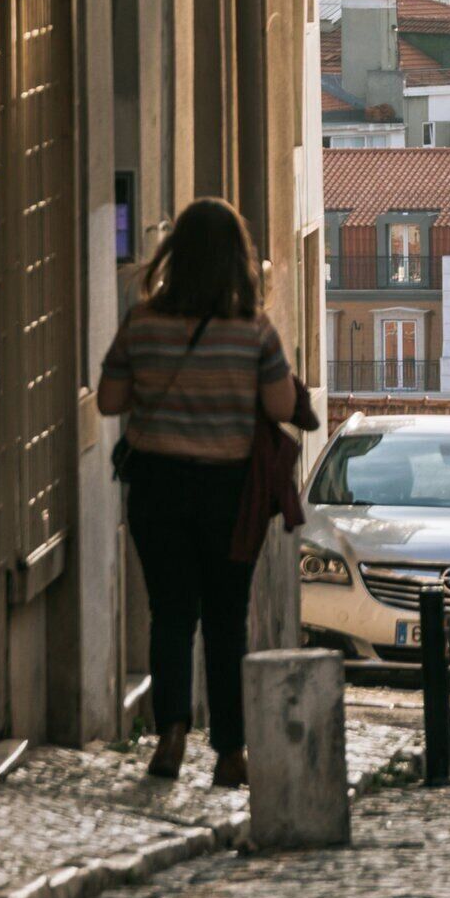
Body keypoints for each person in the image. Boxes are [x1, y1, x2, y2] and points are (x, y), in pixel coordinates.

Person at [94, 198, 302, 790]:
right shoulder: (254, 330)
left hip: (157, 485)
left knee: (171, 614)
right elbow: (283, 407)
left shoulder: (143, 322)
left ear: (175, 255)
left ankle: (171, 733)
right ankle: (232, 750)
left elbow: (110, 401)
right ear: (238, 259)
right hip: (229, 491)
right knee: (226, 621)